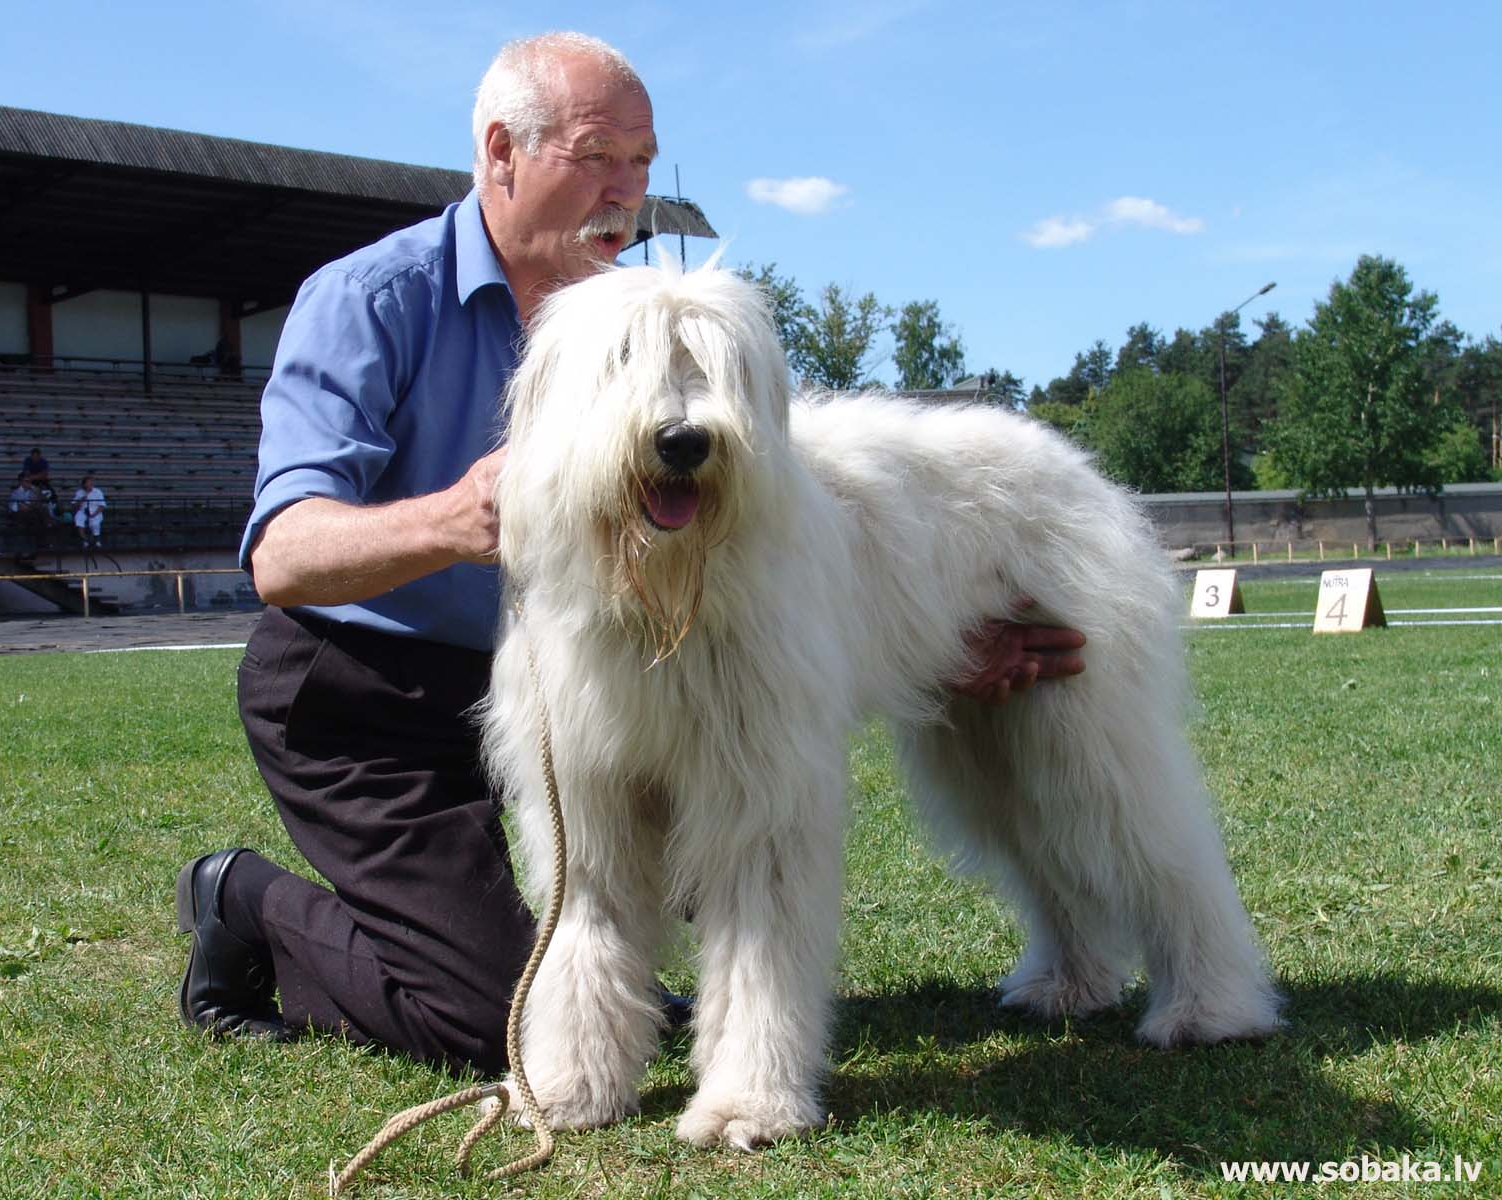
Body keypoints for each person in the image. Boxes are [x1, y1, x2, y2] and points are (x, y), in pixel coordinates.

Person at [176, 32, 1085, 1066]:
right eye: (597, 155)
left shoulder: (666, 315)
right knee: (495, 1021)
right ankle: (242, 902)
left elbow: (766, 534)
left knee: (711, 849)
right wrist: (459, 518)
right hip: (368, 694)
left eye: (643, 163)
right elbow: (282, 557)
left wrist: (918, 643)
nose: (627, 192)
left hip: (591, 679)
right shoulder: (369, 301)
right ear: (500, 151)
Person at [72, 473, 105, 544]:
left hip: (95, 511)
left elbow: (102, 506)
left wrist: (94, 514)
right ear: (84, 484)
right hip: (83, 511)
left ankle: (97, 540)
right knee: (78, 519)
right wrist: (81, 500)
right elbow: (74, 505)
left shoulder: (98, 492)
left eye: (92, 482)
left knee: (94, 523)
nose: (91, 483)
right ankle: (85, 540)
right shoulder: (79, 492)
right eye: (89, 482)